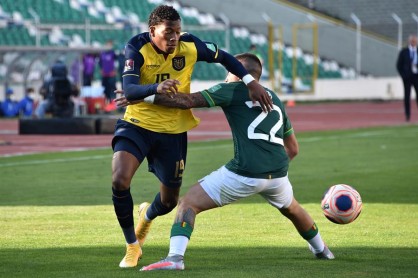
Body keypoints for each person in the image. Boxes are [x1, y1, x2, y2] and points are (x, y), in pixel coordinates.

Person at [116, 53, 334, 271]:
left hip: (246, 172)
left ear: (236, 72)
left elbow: (186, 101)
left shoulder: (231, 89)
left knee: (188, 203)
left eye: (229, 71)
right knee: (293, 209)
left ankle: (175, 259)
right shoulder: (274, 97)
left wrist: (142, 97)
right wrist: (269, 167)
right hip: (278, 175)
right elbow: (293, 149)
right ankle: (322, 249)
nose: (227, 75)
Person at [111, 5, 273, 269]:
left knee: (168, 201)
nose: (174, 37)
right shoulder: (136, 47)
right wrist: (155, 87)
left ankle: (146, 216)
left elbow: (227, 58)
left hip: (173, 131)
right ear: (153, 31)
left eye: (177, 31)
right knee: (120, 179)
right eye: (168, 32)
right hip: (137, 123)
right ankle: (132, 246)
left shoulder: (190, 45)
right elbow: (129, 88)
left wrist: (249, 81)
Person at [396, 34, 418, 121]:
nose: (413, 42)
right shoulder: (404, 52)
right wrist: (403, 75)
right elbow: (399, 65)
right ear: (409, 41)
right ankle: (407, 115)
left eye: (415, 41)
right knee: (407, 97)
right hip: (407, 77)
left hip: (417, 76)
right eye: (412, 41)